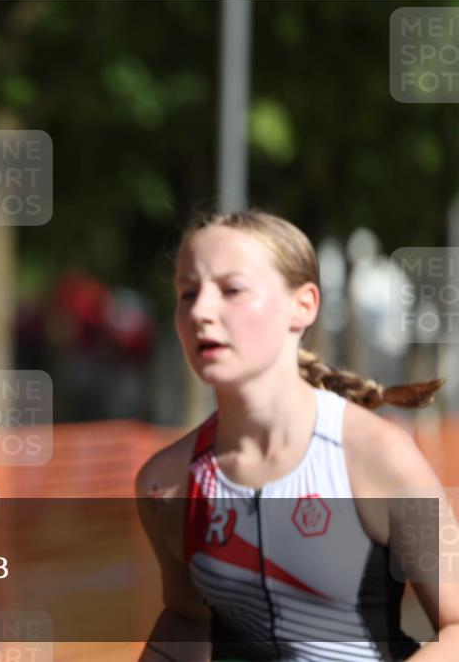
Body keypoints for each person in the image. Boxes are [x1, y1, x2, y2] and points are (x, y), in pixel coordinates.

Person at [135, 210, 459, 661]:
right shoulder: (166, 484)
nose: (200, 312)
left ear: (303, 305)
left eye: (231, 290)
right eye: (188, 293)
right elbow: (186, 619)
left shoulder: (380, 456)